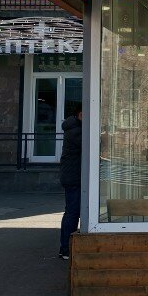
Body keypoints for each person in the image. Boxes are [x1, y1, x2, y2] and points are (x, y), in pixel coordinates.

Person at [58, 107, 82, 260]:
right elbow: (93, 145)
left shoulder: (73, 128)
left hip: (72, 176)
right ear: (80, 114)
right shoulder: (76, 131)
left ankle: (65, 248)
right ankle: (66, 248)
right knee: (72, 212)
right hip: (74, 177)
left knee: (72, 212)